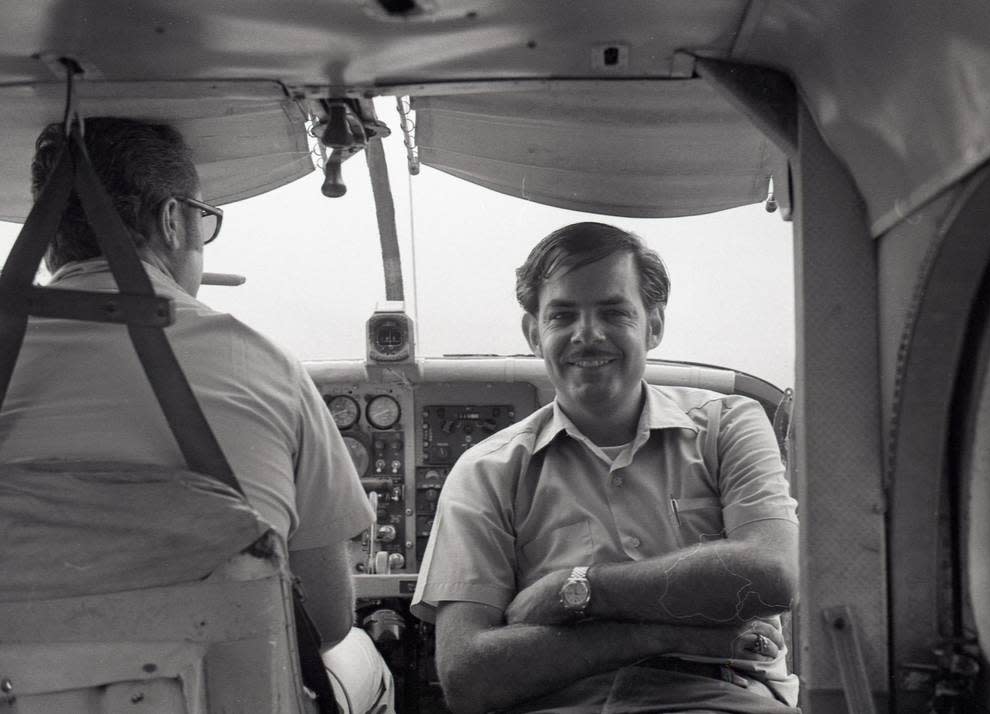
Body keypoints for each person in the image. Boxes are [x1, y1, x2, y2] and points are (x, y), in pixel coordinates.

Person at [0, 117, 390, 712]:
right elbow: (327, 617)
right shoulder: (264, 367)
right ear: (173, 220)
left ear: (51, 233)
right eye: (204, 222)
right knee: (361, 653)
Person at [411, 222, 800, 713]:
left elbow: (773, 575)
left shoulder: (728, 426)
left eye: (613, 312)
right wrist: (657, 632)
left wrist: (572, 590)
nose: (587, 335)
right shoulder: (486, 470)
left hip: (719, 697)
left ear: (653, 325)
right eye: (563, 315)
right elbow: (468, 678)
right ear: (534, 333)